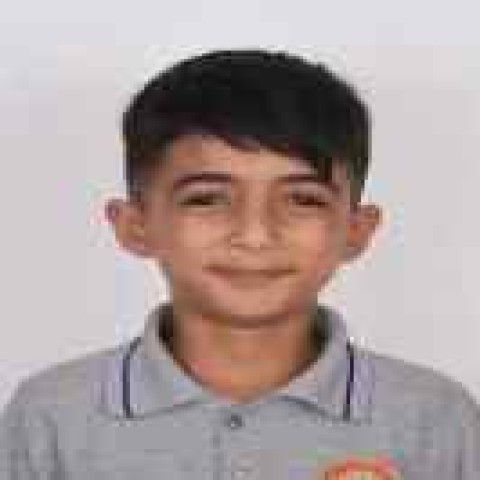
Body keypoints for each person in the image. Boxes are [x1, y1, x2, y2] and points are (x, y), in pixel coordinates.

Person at [0, 49, 478, 479]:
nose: (255, 234)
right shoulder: (51, 418)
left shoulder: (433, 419)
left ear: (357, 230)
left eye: (303, 200)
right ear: (134, 225)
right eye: (207, 199)